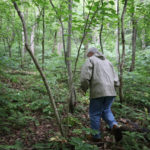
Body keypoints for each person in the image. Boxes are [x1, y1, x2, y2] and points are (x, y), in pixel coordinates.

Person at [80, 47, 121, 142]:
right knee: (106, 110)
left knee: (94, 114)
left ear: (91, 53)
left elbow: (84, 78)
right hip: (111, 92)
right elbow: (116, 79)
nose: (87, 56)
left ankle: (96, 136)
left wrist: (84, 88)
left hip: (98, 91)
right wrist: (115, 87)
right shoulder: (108, 62)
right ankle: (114, 125)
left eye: (87, 54)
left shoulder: (90, 60)